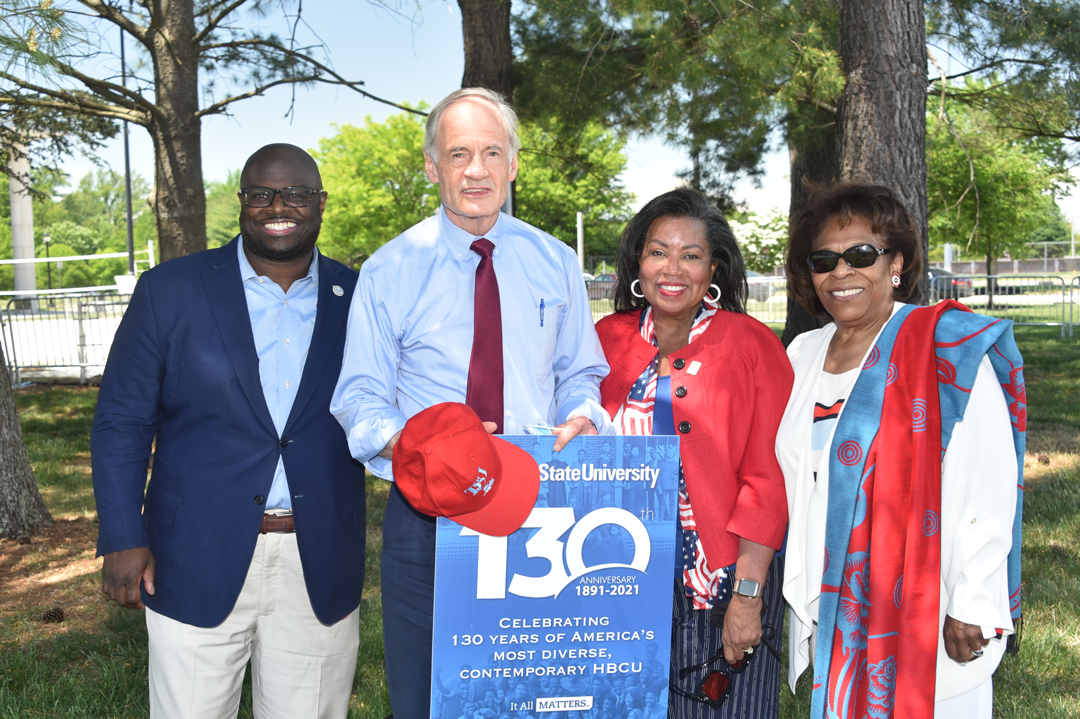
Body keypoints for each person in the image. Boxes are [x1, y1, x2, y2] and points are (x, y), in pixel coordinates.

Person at [330, 87, 612, 718]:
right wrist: (425, 446)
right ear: (434, 167)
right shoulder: (388, 271)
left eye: (491, 151)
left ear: (513, 164)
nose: (476, 169)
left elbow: (580, 372)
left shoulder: (556, 262)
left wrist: (583, 413)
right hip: (429, 518)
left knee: (538, 698)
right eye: (459, 154)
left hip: (540, 507)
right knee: (432, 698)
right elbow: (359, 399)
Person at [91, 144, 366, 717]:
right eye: (261, 194)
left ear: (320, 203)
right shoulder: (169, 291)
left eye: (294, 193)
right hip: (192, 554)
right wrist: (121, 534)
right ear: (242, 203)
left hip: (318, 560)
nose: (277, 206)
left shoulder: (362, 298)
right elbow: (121, 421)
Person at [777, 183, 1025, 718]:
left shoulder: (942, 348)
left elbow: (991, 475)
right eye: (824, 259)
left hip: (924, 599)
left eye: (861, 254)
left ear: (896, 263)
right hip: (834, 601)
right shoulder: (802, 353)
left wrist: (975, 597)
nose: (840, 272)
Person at [594, 188, 793, 718]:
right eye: (658, 251)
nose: (672, 268)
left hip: (722, 582)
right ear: (638, 261)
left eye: (691, 254)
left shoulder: (751, 344)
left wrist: (748, 595)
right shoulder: (604, 340)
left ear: (714, 268)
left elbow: (768, 478)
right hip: (618, 577)